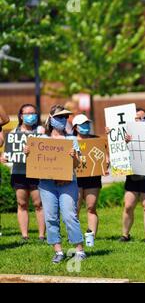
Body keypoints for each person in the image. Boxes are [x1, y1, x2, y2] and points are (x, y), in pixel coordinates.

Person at [24, 104, 86, 264]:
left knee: (69, 216)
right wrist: (28, 153)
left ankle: (79, 250)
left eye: (65, 117)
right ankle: (58, 251)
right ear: (51, 119)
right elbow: (33, 162)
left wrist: (73, 157)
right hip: (46, 184)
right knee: (51, 217)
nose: (63, 120)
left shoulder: (71, 140)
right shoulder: (40, 141)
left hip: (67, 183)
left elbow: (77, 165)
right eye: (60, 117)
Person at [0, 104, 46, 242]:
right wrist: (4, 157)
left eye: (33, 113)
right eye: (27, 113)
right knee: (21, 204)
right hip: (19, 172)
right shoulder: (13, 133)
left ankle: (42, 235)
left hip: (37, 172)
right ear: (21, 116)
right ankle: (24, 235)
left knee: (39, 204)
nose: (31, 115)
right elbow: (9, 153)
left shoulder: (41, 131)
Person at [119, 108, 145, 243]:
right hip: (132, 175)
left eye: (143, 117)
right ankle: (125, 234)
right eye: (137, 118)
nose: (140, 120)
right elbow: (117, 149)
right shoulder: (126, 134)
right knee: (128, 205)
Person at [73, 114, 106, 238]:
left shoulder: (96, 140)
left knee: (91, 207)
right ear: (76, 127)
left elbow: (104, 157)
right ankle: (75, 235)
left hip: (93, 178)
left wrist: (106, 161)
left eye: (87, 123)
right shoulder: (70, 140)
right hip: (75, 178)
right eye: (82, 124)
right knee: (75, 210)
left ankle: (91, 236)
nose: (86, 126)